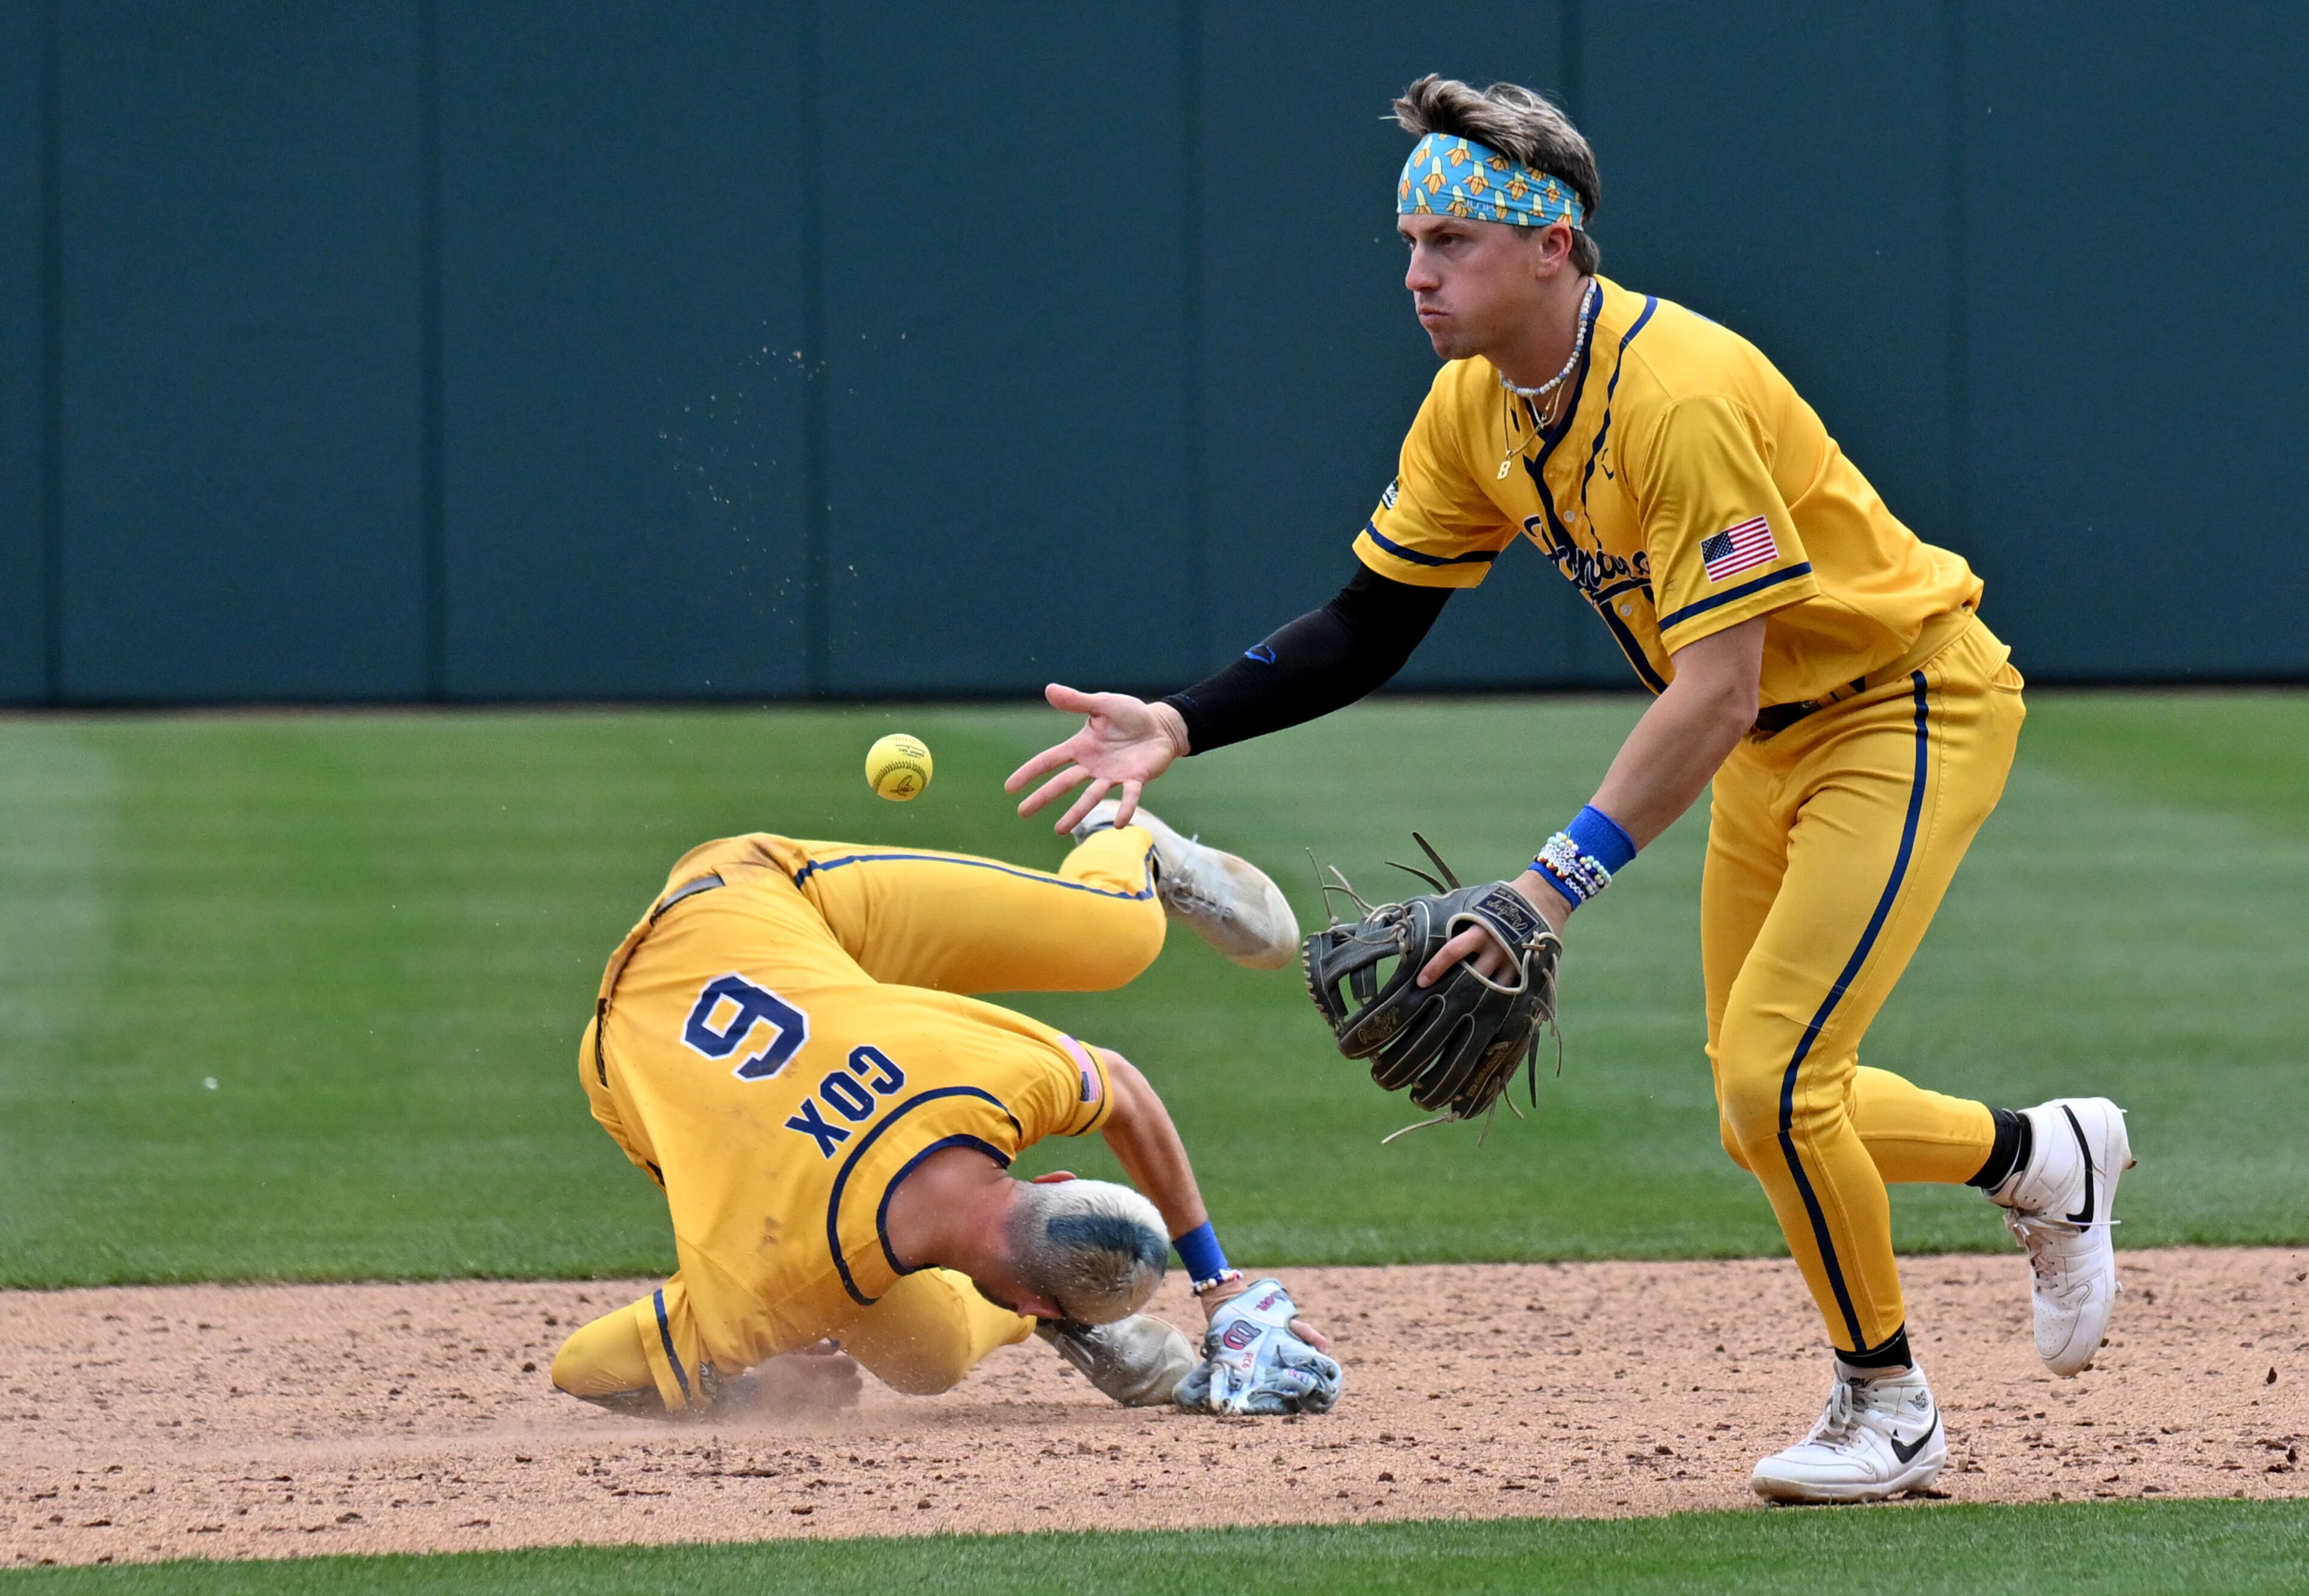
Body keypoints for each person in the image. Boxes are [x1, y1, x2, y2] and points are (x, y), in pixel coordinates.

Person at [1006, 75, 2130, 1503]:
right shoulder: (1472, 409)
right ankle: (2045, 1156)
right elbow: (1371, 622)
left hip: (1904, 708)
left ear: (1553, 248)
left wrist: (1549, 889)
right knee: (1760, 1105)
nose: (1419, 274)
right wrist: (1180, 717)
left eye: (1455, 243)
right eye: (1411, 244)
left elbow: (1715, 686)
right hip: (1769, 745)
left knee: (1779, 1083)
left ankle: (1888, 1407)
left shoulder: (1683, 396)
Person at [548, 806, 1339, 1420]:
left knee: (926, 1357)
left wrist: (1220, 1280)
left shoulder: (994, 1084)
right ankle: (1126, 836)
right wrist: (742, 1384)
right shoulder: (776, 1287)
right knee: (1120, 925)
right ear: (1031, 1295)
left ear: (1057, 1175)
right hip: (739, 937)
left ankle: (1078, 1319)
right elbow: (586, 1366)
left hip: (734, 941)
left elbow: (1123, 1091)